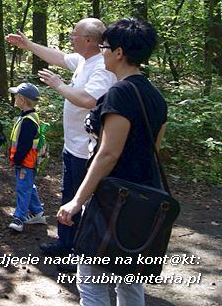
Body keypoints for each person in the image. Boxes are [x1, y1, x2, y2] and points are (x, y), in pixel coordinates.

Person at [57, 18, 167, 306]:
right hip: (145, 197)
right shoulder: (155, 96)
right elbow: (153, 148)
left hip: (115, 198)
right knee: (129, 282)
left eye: (105, 47)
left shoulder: (120, 92)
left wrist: (77, 201)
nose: (101, 53)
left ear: (119, 52)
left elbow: (109, 153)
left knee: (91, 282)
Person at [6, 18, 115, 256]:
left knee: (83, 201)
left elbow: (88, 100)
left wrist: (58, 84)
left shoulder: (102, 68)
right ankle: (65, 244)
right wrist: (28, 45)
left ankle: (80, 252)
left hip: (88, 150)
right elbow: (59, 57)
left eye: (75, 35)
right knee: (68, 196)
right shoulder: (84, 61)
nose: (71, 38)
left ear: (88, 40)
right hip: (72, 146)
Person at [7, 82, 46, 233]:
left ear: (22, 99)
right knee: (28, 186)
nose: (14, 98)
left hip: (25, 162)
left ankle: (19, 218)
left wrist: (16, 159)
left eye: (16, 96)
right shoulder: (28, 116)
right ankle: (37, 213)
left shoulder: (29, 120)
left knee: (23, 189)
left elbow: (24, 144)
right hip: (26, 161)